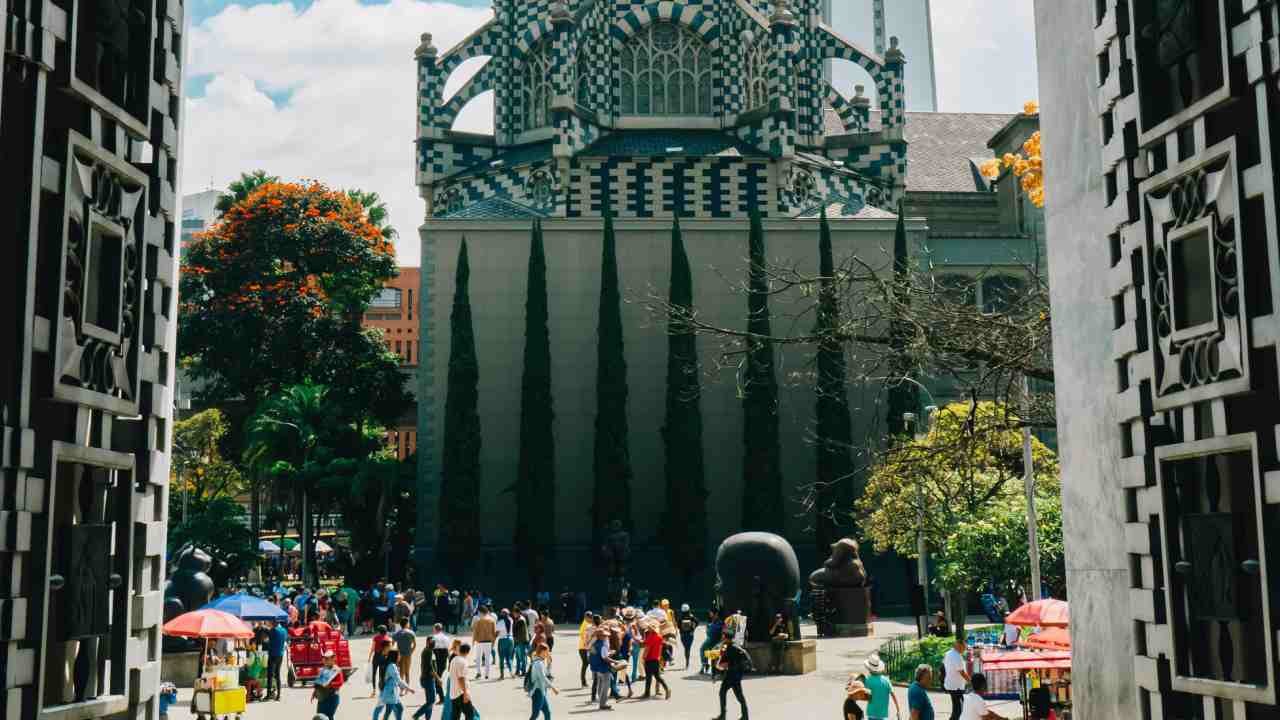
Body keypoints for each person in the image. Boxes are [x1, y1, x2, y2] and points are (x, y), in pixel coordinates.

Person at [713, 630, 751, 720]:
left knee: (723, 692)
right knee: (738, 696)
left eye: (723, 636)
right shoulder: (733, 646)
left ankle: (723, 715)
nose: (722, 638)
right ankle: (745, 716)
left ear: (726, 638)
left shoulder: (731, 648)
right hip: (735, 674)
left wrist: (719, 666)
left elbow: (725, 663)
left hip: (732, 674)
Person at [374, 649, 415, 720]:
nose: (400, 657)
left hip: (390, 692)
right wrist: (409, 689)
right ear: (395, 656)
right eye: (399, 655)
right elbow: (398, 680)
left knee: (393, 709)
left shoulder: (389, 664)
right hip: (391, 693)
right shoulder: (392, 666)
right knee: (396, 709)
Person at [862, 655, 900, 720]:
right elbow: (893, 695)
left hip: (871, 713)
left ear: (869, 668)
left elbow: (863, 695)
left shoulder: (868, 681)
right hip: (883, 715)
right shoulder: (886, 680)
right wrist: (898, 710)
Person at [527, 643, 558, 720]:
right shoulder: (538, 663)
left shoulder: (541, 661)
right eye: (547, 652)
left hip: (542, 691)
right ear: (542, 652)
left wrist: (549, 663)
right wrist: (553, 688)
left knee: (547, 713)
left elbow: (547, 674)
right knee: (535, 714)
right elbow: (543, 677)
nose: (548, 654)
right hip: (537, 692)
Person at [943, 637, 971, 720]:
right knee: (958, 709)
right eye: (964, 647)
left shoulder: (948, 653)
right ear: (959, 646)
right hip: (956, 686)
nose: (964, 649)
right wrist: (971, 681)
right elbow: (962, 672)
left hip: (951, 684)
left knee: (959, 707)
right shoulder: (956, 656)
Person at [312, 650, 345, 720]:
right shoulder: (323, 669)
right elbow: (319, 682)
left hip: (332, 697)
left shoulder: (336, 670)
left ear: (333, 659)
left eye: (327, 659)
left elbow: (340, 683)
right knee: (319, 716)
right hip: (322, 697)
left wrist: (330, 685)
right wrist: (314, 693)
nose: (325, 660)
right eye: (324, 658)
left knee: (328, 716)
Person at [640, 624, 670, 700]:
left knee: (648, 677)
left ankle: (647, 693)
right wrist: (658, 657)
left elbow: (647, 648)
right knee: (657, 676)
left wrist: (643, 657)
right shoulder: (659, 637)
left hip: (649, 659)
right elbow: (660, 648)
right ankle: (667, 688)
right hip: (656, 659)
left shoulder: (650, 637)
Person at [588, 628, 615, 710]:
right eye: (604, 635)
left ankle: (601, 701)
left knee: (600, 685)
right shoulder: (603, 645)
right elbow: (605, 658)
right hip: (604, 668)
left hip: (597, 668)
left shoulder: (594, 644)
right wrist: (615, 661)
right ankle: (602, 704)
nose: (606, 637)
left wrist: (608, 653)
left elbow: (594, 655)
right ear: (600, 636)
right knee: (605, 687)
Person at [449, 642, 477, 720]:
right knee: (470, 714)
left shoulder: (454, 659)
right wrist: (465, 693)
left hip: (453, 693)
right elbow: (461, 678)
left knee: (455, 716)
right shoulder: (463, 662)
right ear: (467, 652)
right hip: (460, 693)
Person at [412, 640, 438, 719]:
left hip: (427, 679)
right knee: (432, 700)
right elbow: (430, 668)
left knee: (429, 701)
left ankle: (427, 718)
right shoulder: (428, 652)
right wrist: (438, 678)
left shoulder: (428, 651)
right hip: (428, 679)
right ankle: (416, 715)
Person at [470, 606, 496, 680]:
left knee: (478, 658)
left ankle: (479, 673)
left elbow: (475, 632)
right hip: (488, 641)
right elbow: (494, 632)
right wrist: (493, 642)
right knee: (487, 658)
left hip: (479, 641)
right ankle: (487, 674)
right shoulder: (492, 620)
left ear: (481, 612)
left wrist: (473, 641)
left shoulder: (478, 621)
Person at [266, 620, 287, 701]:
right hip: (280, 654)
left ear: (273, 623)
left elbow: (267, 640)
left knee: (270, 675)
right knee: (277, 674)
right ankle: (278, 695)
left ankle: (269, 694)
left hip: (272, 654)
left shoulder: (273, 630)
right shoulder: (284, 630)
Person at [371, 625, 393, 696]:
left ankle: (374, 690)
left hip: (376, 657)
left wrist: (369, 657)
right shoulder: (388, 638)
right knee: (381, 674)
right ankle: (381, 690)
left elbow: (373, 648)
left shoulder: (375, 637)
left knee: (374, 673)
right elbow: (390, 649)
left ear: (379, 631)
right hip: (383, 658)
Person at [430, 624, 451, 699]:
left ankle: (441, 696)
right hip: (444, 658)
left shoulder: (433, 638)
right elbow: (448, 650)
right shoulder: (446, 638)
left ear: (435, 629)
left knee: (436, 678)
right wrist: (450, 661)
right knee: (438, 676)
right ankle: (437, 694)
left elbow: (431, 649)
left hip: (436, 657)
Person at [700, 610, 723, 674]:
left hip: (715, 640)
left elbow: (715, 631)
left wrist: (710, 626)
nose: (710, 614)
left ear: (716, 614)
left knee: (705, 650)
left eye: (711, 613)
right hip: (711, 639)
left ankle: (709, 667)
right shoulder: (712, 621)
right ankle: (705, 665)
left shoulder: (719, 622)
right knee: (705, 650)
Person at [677, 604, 697, 669]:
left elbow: (678, 626)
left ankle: (687, 661)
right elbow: (697, 622)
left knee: (686, 648)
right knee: (688, 648)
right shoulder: (691, 616)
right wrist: (693, 629)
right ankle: (687, 661)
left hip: (683, 635)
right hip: (690, 634)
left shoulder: (680, 617)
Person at [577, 613, 594, 688]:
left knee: (586, 664)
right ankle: (583, 682)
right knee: (585, 664)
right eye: (590, 617)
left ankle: (584, 682)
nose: (591, 618)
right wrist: (588, 646)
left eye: (591, 617)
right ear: (586, 617)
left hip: (583, 647)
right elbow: (583, 636)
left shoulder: (586, 624)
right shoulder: (586, 625)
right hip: (583, 648)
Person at [497, 609, 515, 679]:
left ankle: (502, 675)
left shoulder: (500, 622)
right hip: (510, 639)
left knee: (501, 658)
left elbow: (497, 632)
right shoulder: (511, 620)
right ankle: (511, 672)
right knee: (509, 657)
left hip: (502, 640)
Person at [513, 606, 531, 676]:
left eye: (514, 613)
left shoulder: (520, 620)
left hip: (521, 641)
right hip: (520, 641)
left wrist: (515, 639)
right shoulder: (520, 619)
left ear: (517, 613)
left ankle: (523, 671)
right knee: (518, 657)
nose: (513, 614)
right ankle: (518, 671)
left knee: (522, 657)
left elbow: (518, 632)